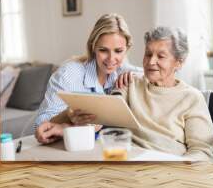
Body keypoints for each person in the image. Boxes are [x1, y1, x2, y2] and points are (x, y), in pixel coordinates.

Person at [35, 26, 213, 161]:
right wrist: (64, 128)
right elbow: (99, 121)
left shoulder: (192, 98)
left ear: (179, 62)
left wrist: (179, 169)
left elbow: (202, 150)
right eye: (148, 54)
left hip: (167, 165)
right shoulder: (129, 83)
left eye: (160, 56)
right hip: (122, 161)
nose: (151, 62)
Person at [35, 13, 141, 144]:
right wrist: (67, 116)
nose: (111, 59)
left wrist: (136, 77)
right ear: (93, 47)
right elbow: (40, 126)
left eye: (118, 51)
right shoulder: (69, 74)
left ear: (126, 50)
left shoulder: (122, 70)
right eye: (103, 50)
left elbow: (154, 74)